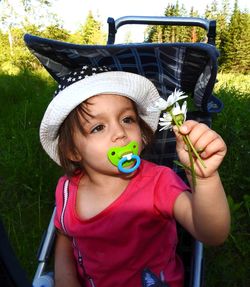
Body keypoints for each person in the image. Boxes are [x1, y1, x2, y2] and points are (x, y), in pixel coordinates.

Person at [39, 65, 230, 287]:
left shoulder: (159, 182)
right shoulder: (67, 188)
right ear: (73, 151)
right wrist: (66, 278)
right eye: (98, 127)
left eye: (127, 119)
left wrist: (205, 179)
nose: (120, 133)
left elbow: (213, 233)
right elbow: (65, 234)